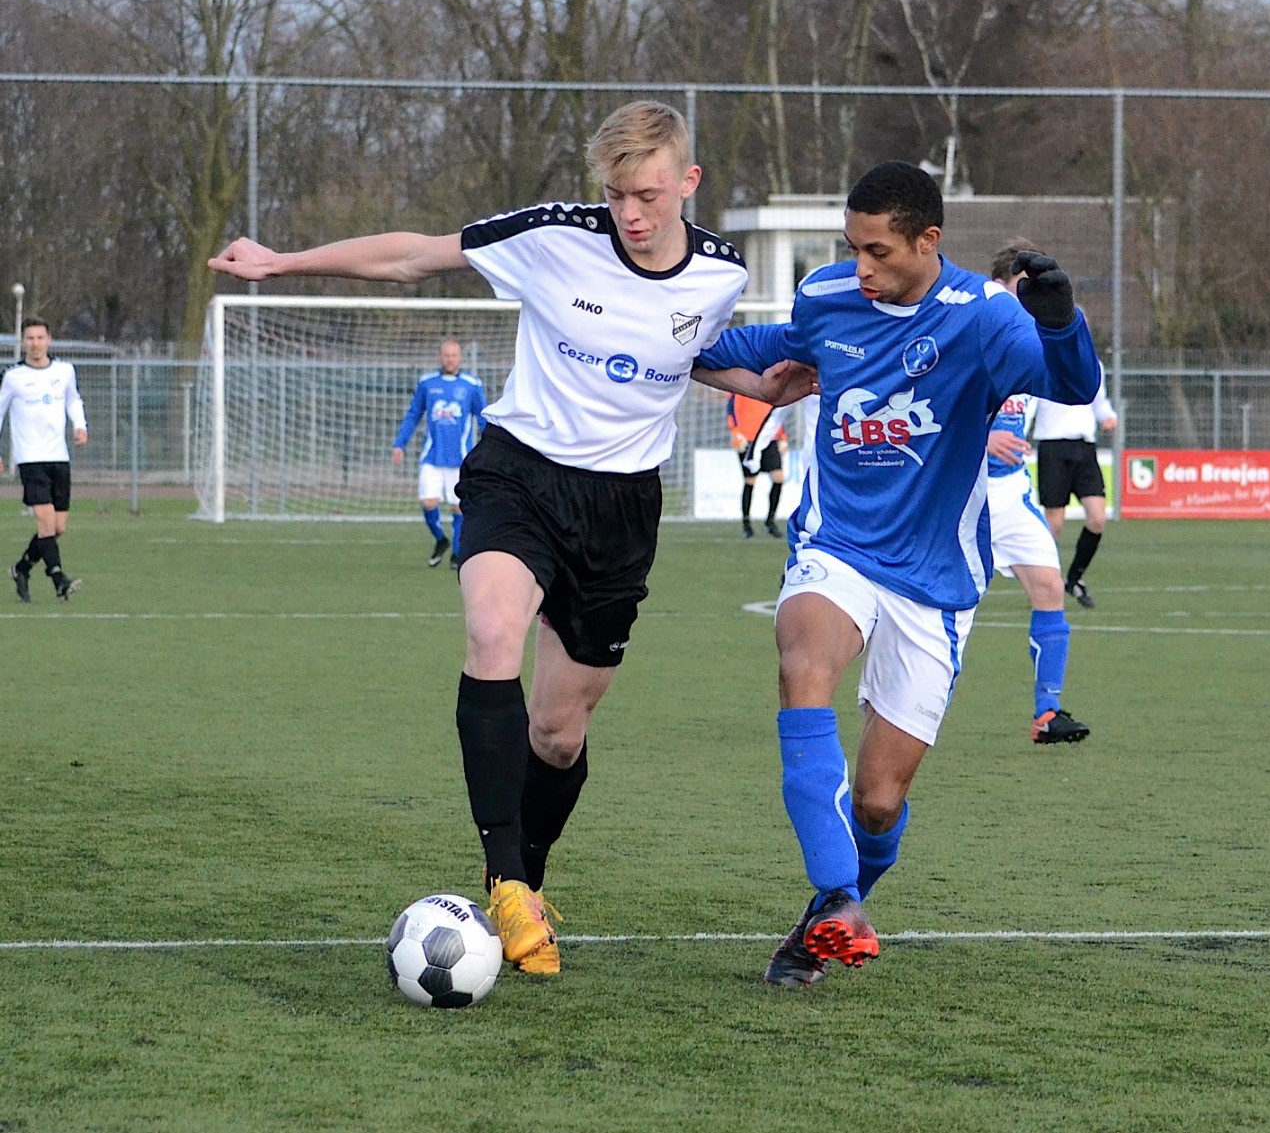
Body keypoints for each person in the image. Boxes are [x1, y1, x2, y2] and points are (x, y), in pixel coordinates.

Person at [210, 100, 810, 976]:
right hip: (518, 472)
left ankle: (528, 866)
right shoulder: (553, 236)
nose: (630, 214)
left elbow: (684, 351)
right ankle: (506, 880)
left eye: (647, 195)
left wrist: (762, 382)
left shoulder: (721, 272)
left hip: (621, 509)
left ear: (688, 181)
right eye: (614, 195)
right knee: (493, 631)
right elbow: (414, 255)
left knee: (559, 734)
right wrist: (282, 261)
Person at [694, 161, 1102, 988]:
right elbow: (766, 349)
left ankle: (825, 915)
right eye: (851, 248)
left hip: (933, 580)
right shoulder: (827, 295)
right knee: (803, 659)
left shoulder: (983, 316)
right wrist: (662, 338)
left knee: (878, 802)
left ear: (927, 240)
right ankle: (836, 894)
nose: (860, 268)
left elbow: (1070, 384)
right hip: (836, 545)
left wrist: (1061, 323)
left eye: (877, 251)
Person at [985, 241, 1090, 745]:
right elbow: (932, 409)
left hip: (1012, 493)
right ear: (998, 287)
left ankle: (1047, 713)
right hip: (961, 496)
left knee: (1049, 587)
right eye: (1022, 288)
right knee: (936, 608)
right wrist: (983, 438)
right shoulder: (973, 332)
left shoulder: (1035, 339)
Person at [1, 318, 88, 602]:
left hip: (59, 457)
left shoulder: (64, 371)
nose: (35, 343)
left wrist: (80, 425)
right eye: (30, 338)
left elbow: (73, 399)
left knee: (57, 528)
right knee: (46, 522)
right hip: (30, 459)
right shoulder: (13, 376)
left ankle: (22, 568)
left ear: (49, 340)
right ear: (23, 342)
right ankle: (59, 579)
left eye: (40, 338)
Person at [392, 338, 487, 569]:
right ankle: (440, 539)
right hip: (432, 456)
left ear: (460, 357)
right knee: (428, 502)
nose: (450, 359)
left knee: (459, 507)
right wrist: (399, 444)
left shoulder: (471, 385)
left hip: (460, 458)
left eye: (454, 355)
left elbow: (483, 418)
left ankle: (457, 553)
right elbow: (414, 414)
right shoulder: (427, 383)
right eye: (446, 355)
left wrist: (490, 447)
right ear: (440, 356)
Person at [1027, 370, 1117, 609]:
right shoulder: (1044, 361)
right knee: (1054, 523)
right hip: (1052, 447)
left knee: (1097, 518)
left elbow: (1098, 400)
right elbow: (1030, 400)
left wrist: (1108, 416)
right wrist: (1020, 433)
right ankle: (1044, 584)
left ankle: (1074, 579)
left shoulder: (1093, 364)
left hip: (1084, 448)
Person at [726, 392, 787, 538]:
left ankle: (770, 521)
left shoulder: (771, 385)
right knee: (750, 480)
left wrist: (782, 436)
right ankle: (746, 524)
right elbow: (731, 408)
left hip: (768, 437)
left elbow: (776, 412)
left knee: (778, 477)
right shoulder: (740, 386)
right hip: (747, 438)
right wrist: (735, 432)